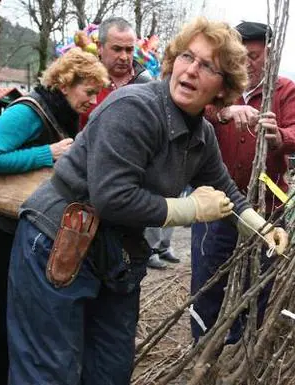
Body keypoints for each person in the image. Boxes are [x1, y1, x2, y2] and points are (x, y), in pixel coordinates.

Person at [6, 17, 289, 385]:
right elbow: (112, 197)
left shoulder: (200, 134)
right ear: (173, 61)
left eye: (207, 66)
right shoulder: (135, 107)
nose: (191, 70)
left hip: (115, 251)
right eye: (187, 56)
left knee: (110, 369)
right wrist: (189, 209)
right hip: (58, 237)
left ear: (223, 88)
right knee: (49, 372)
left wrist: (262, 228)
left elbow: (225, 189)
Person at [0, 48, 108, 385]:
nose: (92, 99)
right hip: (2, 225)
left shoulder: (62, 110)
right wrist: (50, 152)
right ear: (65, 84)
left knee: (20, 310)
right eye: (88, 91)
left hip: (24, 222)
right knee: (1, 310)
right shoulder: (30, 110)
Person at [191, 21, 295, 343]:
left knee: (258, 280)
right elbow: (193, 112)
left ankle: (242, 342)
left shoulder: (284, 90)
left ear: (269, 56)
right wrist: (225, 111)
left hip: (268, 206)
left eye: (254, 56)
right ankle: (203, 343)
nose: (247, 63)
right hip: (218, 204)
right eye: (240, 56)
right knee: (209, 277)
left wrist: (279, 137)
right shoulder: (218, 89)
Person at [80, 16, 173, 269]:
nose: (124, 56)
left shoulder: (148, 85)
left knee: (127, 272)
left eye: (129, 49)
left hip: (130, 194)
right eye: (117, 49)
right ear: (100, 48)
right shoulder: (83, 82)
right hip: (84, 193)